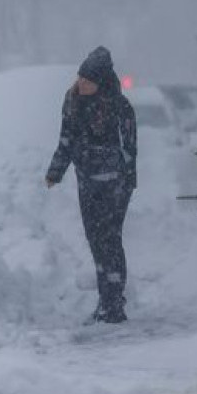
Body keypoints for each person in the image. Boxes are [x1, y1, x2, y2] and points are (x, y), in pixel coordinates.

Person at [45, 46, 137, 324]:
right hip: (87, 181)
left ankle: (113, 303)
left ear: (101, 82)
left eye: (88, 80)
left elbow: (130, 148)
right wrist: (55, 171)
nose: (81, 83)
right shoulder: (73, 101)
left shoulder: (120, 107)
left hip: (114, 184)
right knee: (96, 240)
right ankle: (107, 298)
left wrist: (128, 180)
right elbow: (66, 139)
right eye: (80, 78)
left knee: (110, 239)